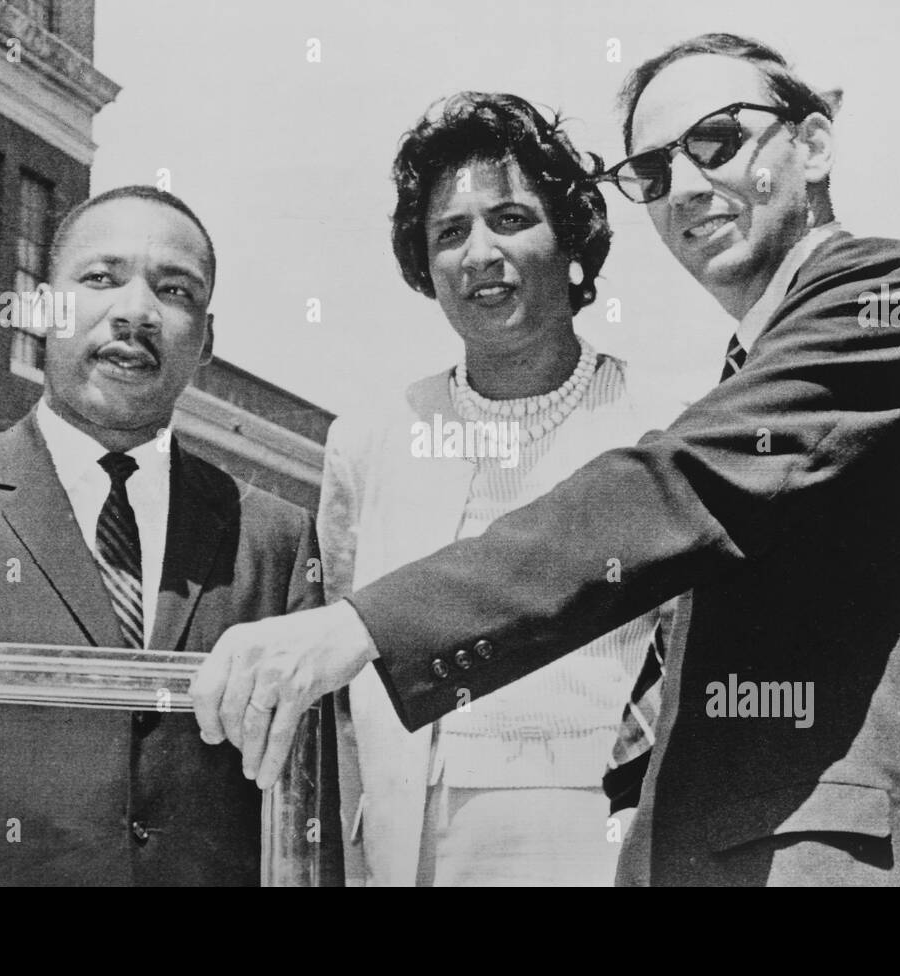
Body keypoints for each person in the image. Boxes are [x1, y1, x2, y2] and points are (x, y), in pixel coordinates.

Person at [192, 33, 900, 886]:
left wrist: (358, 627)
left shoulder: (891, 299)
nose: (686, 187)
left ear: (812, 143)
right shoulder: (751, 369)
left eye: (718, 140)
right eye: (652, 171)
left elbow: (673, 490)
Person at [0, 185, 339, 886]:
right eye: (101, 278)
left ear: (206, 339)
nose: (136, 311)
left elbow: (305, 827)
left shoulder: (274, 542)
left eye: (175, 290)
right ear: (41, 308)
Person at [319, 92, 682, 886]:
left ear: (572, 244)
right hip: (408, 843)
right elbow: (351, 676)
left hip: (604, 839)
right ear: (426, 268)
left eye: (511, 219)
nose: (480, 252)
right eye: (450, 233)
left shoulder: (664, 423)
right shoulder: (369, 440)